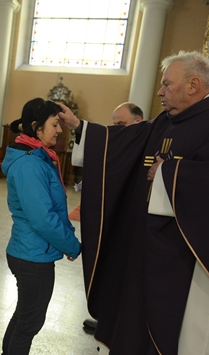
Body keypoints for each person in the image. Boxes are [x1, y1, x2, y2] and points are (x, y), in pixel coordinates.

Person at [61, 51, 209, 355]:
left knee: (184, 325)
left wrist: (168, 174)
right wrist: (80, 127)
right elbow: (123, 143)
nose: (161, 92)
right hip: (151, 243)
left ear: (193, 85)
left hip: (191, 253)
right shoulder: (165, 122)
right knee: (144, 313)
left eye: (167, 84)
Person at [0, 98, 82, 355]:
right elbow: (42, 218)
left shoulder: (37, 157)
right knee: (30, 320)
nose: (60, 130)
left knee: (24, 314)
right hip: (32, 255)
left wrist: (64, 240)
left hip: (33, 250)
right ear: (36, 127)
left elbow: (51, 211)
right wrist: (71, 244)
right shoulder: (30, 164)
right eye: (55, 124)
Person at [82, 102, 143, 332]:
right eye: (114, 125)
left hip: (135, 224)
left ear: (138, 122)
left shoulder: (146, 142)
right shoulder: (123, 148)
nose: (116, 130)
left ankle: (121, 326)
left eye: (121, 125)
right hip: (117, 220)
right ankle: (107, 319)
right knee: (111, 270)